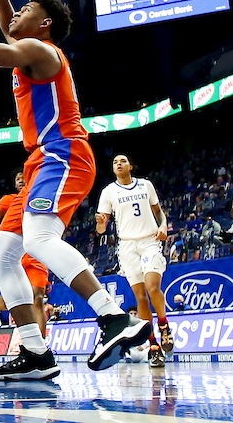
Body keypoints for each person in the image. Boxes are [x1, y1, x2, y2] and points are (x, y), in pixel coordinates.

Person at [0, 0, 147, 381]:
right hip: (44, 158)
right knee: (3, 254)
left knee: (38, 240)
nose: (14, 15)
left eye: (25, 10)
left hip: (64, 153)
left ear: (45, 24)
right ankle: (36, 354)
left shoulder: (42, 51)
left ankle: (115, 318)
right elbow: (7, 27)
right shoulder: (31, 47)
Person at [95, 154, 173, 367]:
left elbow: (159, 213)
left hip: (149, 241)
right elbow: (101, 229)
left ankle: (164, 324)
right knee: (140, 297)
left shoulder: (145, 185)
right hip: (127, 246)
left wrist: (163, 226)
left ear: (130, 165)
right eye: (114, 162)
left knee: (152, 287)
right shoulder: (108, 192)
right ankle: (154, 346)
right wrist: (101, 223)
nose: (118, 163)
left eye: (122, 161)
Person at [0, 172, 52, 336]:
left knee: (37, 299)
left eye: (24, 177)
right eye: (17, 178)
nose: (21, 180)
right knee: (17, 300)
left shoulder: (41, 198)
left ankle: (42, 349)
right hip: (14, 255)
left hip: (35, 254)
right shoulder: (9, 199)